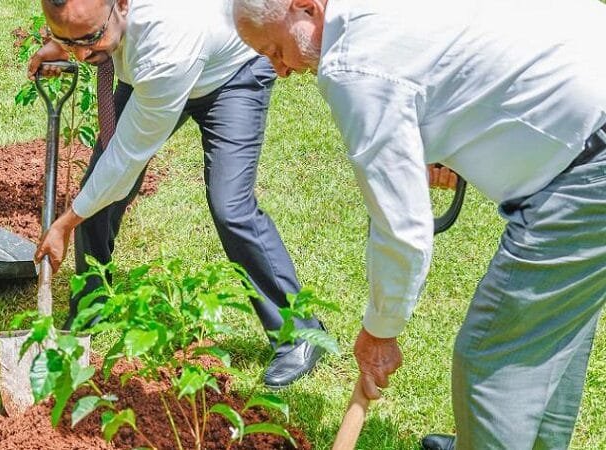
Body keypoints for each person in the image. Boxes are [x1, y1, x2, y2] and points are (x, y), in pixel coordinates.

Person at [232, 0, 606, 448]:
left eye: (275, 48)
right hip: (587, 91)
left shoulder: (352, 63)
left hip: (588, 167)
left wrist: (379, 332)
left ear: (306, 8)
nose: (281, 70)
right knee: (541, 341)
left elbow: (402, 228)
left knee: (491, 361)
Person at [30, 0, 328, 389]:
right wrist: (68, 41)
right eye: (73, 42)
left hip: (231, 75)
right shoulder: (106, 22)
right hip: (161, 71)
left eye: (90, 39)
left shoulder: (165, 41)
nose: (83, 56)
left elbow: (126, 159)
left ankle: (299, 333)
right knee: (97, 192)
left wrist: (66, 224)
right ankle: (92, 303)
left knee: (230, 206)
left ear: (123, 5)